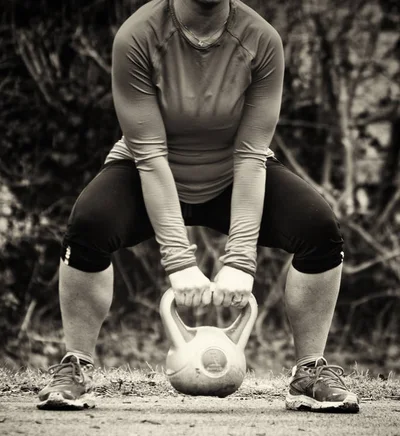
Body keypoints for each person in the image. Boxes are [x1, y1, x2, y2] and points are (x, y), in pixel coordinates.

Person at [37, 0, 359, 413]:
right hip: (146, 167)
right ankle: (75, 365)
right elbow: (150, 154)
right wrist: (178, 262)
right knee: (89, 224)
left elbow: (250, 153)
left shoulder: (262, 40)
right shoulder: (137, 36)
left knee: (319, 228)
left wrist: (241, 260)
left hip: (236, 172)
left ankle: (310, 370)